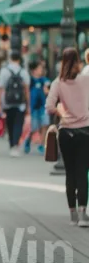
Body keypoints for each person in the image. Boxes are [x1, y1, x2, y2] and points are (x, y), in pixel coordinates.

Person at [45, 48, 89, 227]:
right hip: (85, 131)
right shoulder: (86, 79)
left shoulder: (58, 82)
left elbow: (49, 106)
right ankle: (83, 214)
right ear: (78, 61)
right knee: (82, 172)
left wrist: (61, 112)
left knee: (70, 173)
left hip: (66, 132)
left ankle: (72, 214)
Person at [0, 52, 30, 157]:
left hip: (7, 102)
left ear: (10, 58)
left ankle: (12, 144)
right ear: (19, 60)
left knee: (10, 123)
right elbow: (26, 89)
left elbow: (0, 88)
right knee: (18, 124)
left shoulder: (4, 71)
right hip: (20, 103)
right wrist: (28, 104)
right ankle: (15, 145)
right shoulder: (24, 71)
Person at [25, 61, 51, 154]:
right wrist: (27, 106)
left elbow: (49, 89)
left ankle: (42, 144)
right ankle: (28, 140)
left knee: (45, 125)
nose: (41, 70)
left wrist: (47, 90)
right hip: (34, 107)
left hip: (43, 107)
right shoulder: (30, 81)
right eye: (39, 69)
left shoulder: (44, 80)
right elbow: (27, 93)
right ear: (34, 71)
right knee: (34, 127)